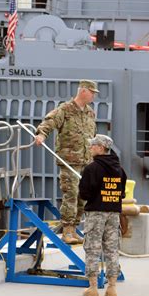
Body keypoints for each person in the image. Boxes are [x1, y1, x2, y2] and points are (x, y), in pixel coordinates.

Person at [35, 80, 99, 244]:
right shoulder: (65, 109)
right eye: (92, 92)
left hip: (87, 161)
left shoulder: (90, 113)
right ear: (83, 91)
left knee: (83, 197)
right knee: (71, 194)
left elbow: (93, 136)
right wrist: (41, 134)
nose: (94, 96)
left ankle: (75, 228)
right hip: (70, 161)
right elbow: (50, 122)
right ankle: (67, 231)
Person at [79, 134, 127, 296]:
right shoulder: (120, 170)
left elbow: (84, 194)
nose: (90, 148)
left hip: (96, 214)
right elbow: (121, 193)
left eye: (93, 145)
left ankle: (93, 288)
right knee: (112, 250)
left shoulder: (92, 168)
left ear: (100, 148)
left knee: (92, 249)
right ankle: (112, 288)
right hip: (114, 214)